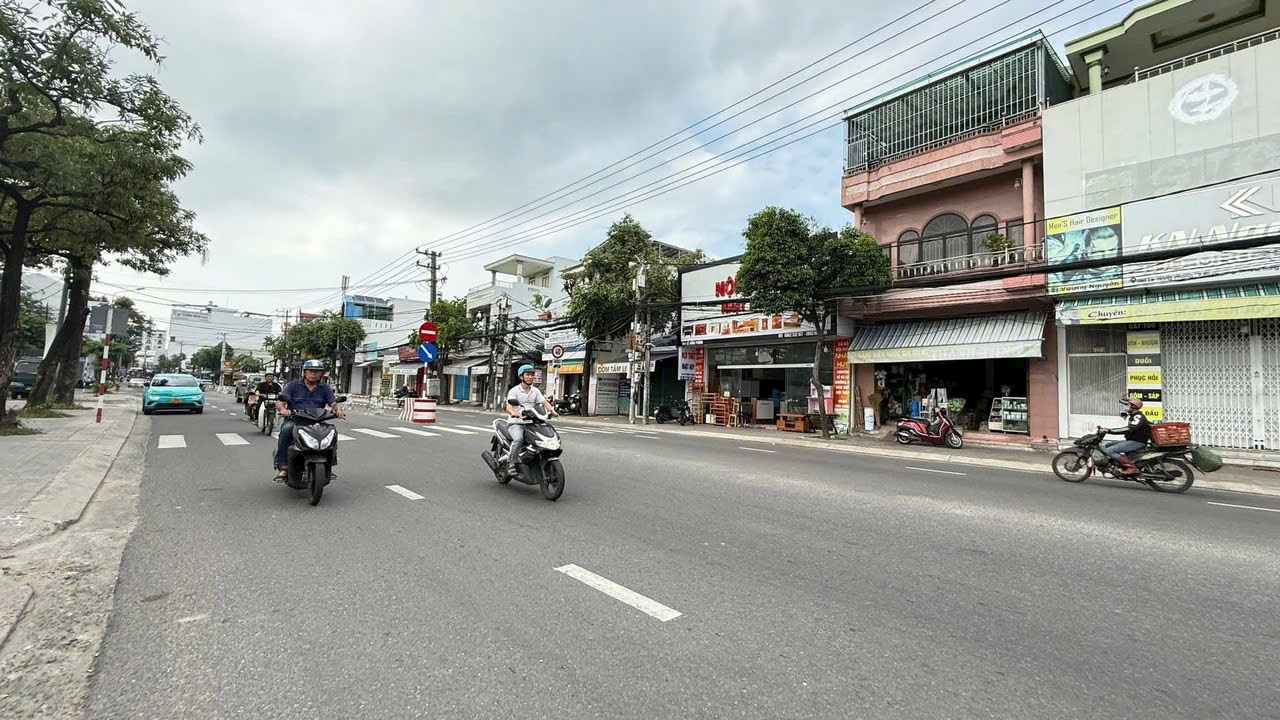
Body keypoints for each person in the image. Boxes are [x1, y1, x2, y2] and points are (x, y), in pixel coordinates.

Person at [273, 360, 345, 482]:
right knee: (286, 430)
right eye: (311, 371)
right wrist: (283, 409)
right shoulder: (292, 385)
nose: (314, 374)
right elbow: (280, 402)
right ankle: (283, 466)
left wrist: (338, 410)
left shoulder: (324, 388)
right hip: (296, 419)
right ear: (305, 372)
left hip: (317, 420)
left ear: (321, 374)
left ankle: (329, 465)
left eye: (317, 371)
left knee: (331, 432)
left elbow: (333, 403)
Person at [504, 364, 557, 477]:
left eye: (532, 375)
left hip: (532, 422)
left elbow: (544, 402)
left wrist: (552, 411)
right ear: (521, 376)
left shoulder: (535, 391)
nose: (530, 377)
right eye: (528, 375)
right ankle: (511, 463)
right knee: (518, 439)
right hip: (517, 422)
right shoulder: (514, 391)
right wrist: (514, 413)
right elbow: (508, 407)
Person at [1098, 397, 1151, 476]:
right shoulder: (1133, 416)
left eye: (1127, 405)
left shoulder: (1138, 417)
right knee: (1108, 444)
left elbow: (1129, 429)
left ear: (1133, 407)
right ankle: (1117, 465)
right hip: (1132, 440)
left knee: (1109, 451)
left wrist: (1109, 430)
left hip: (1137, 442)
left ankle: (1132, 468)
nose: (1125, 407)